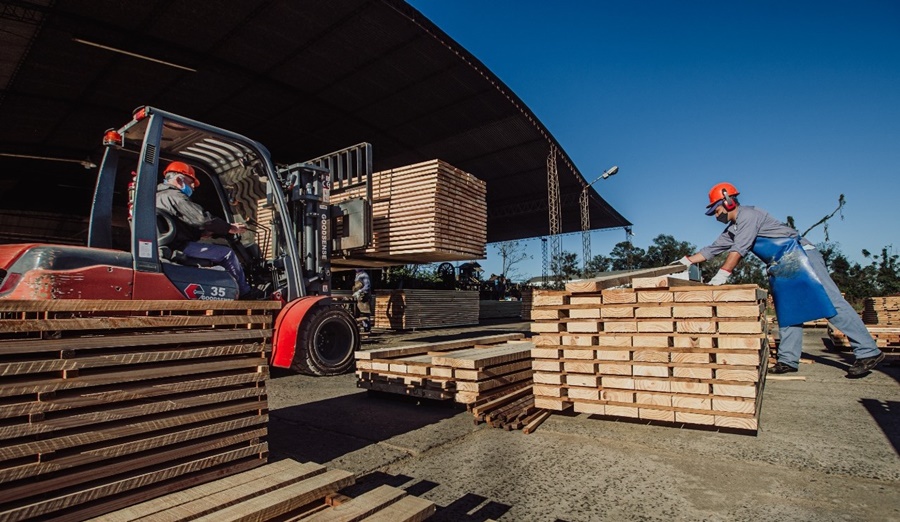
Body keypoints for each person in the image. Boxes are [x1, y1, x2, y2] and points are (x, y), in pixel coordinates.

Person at [676, 182, 884, 377]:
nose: (715, 214)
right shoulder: (733, 229)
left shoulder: (748, 215)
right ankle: (788, 360)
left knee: (830, 302)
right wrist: (683, 262)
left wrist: (722, 275)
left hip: (801, 256)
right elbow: (711, 250)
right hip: (781, 264)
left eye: (716, 209)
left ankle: (868, 352)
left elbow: (740, 249)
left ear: (727, 201)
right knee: (789, 310)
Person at [155, 161, 262, 300]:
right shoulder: (174, 196)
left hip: (171, 244)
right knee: (227, 254)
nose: (192, 187)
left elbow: (176, 225)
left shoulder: (158, 197)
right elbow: (202, 218)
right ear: (178, 179)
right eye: (190, 182)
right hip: (179, 247)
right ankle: (245, 292)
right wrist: (230, 228)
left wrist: (202, 233)